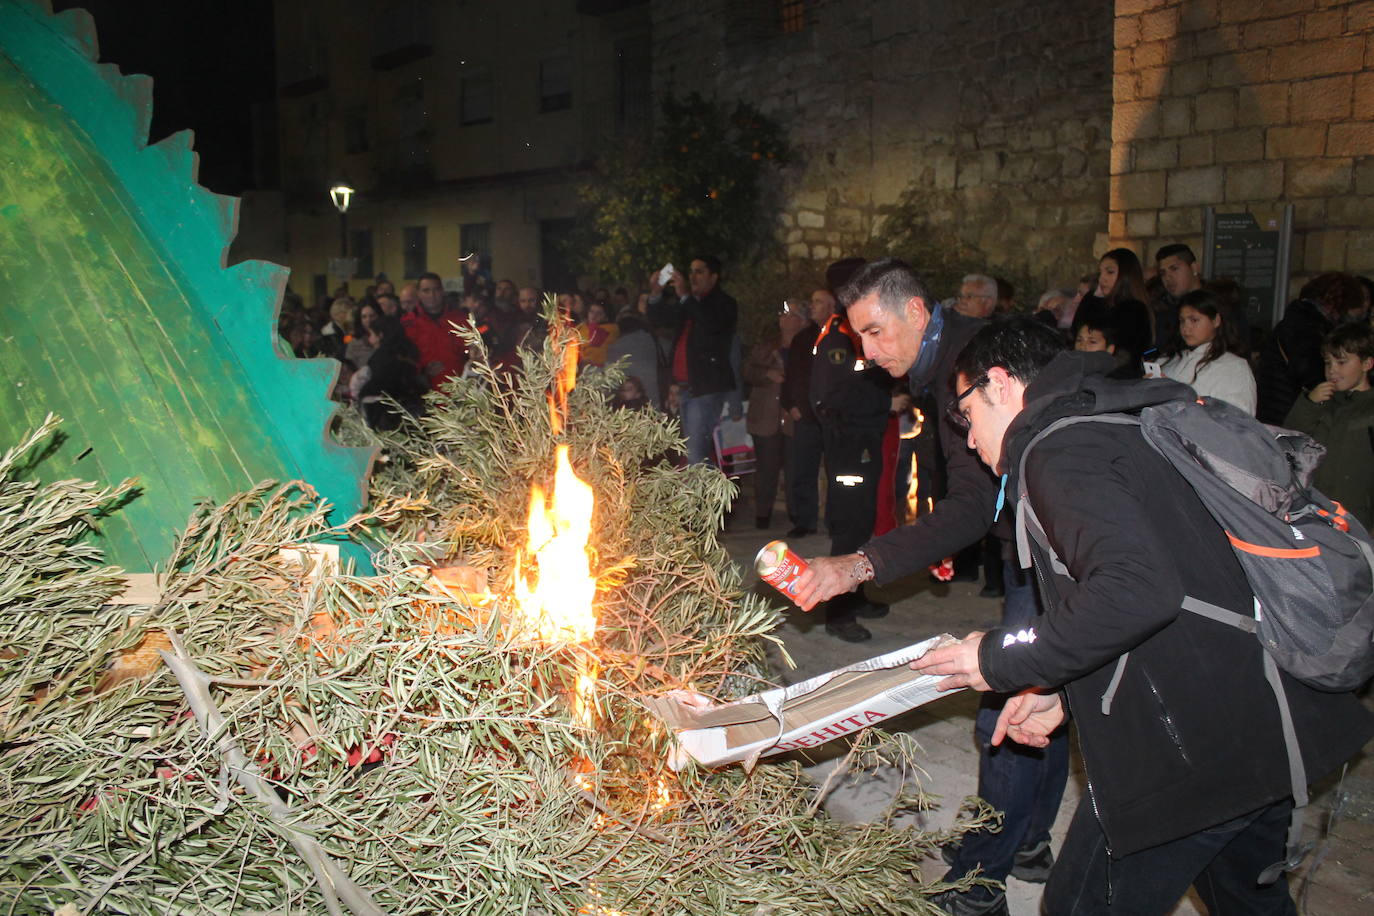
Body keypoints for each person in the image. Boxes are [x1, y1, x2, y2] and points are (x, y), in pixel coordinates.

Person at [911, 319, 1373, 914]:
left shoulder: (1059, 451)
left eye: (964, 413)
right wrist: (1062, 691)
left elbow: (1137, 592)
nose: (968, 438)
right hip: (1260, 723)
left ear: (998, 384)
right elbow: (1177, 594)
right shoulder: (1116, 421)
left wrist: (996, 657)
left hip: (1189, 754)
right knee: (1245, 902)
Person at [791, 260, 1067, 915]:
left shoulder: (966, 368)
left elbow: (973, 503)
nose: (870, 351)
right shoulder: (952, 355)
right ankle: (1026, 840)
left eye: (878, 331)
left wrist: (856, 565)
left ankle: (977, 885)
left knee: (1005, 712)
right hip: (1042, 543)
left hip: (1060, 546)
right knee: (1043, 699)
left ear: (917, 311)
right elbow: (980, 501)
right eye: (859, 338)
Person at [809, 258, 894, 642]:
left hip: (864, 441)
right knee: (849, 527)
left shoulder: (855, 332)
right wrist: (884, 406)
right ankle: (838, 614)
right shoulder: (839, 339)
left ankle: (854, 597)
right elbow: (832, 398)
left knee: (862, 525)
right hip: (849, 446)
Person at [646, 256, 738, 465]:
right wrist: (655, 293)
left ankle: (708, 497)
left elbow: (710, 327)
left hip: (706, 389)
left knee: (696, 455)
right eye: (691, 272)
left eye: (699, 272)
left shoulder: (723, 304)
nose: (692, 277)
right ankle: (710, 496)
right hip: (685, 388)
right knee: (693, 453)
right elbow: (660, 320)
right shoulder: (689, 303)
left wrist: (686, 297)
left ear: (713, 277)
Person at [1282, 323, 1374, 527]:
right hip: (1315, 510)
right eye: (1327, 363)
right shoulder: (1321, 401)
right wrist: (1308, 404)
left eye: (1341, 362)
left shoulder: (1369, 408)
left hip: (1356, 517)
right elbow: (1289, 442)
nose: (1332, 370)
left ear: (1366, 364)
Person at [1256, 273, 1365, 424]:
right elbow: (1311, 373)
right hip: (1288, 412)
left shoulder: (1300, 320)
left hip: (1278, 409)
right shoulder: (1306, 327)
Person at [780, 290, 833, 538]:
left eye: (818, 302)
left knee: (837, 472)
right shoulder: (803, 339)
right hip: (805, 416)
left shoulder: (841, 336)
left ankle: (836, 519)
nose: (813, 306)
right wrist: (791, 404)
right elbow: (791, 376)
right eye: (811, 301)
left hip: (833, 416)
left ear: (832, 306)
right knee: (803, 471)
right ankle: (805, 520)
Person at [1160, 289, 1256, 414]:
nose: (1186, 328)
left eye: (1194, 320)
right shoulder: (1169, 361)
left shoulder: (1234, 368)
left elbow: (1238, 421)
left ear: (1216, 320)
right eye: (1182, 321)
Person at [402, 271, 470, 390]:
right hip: (424, 391)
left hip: (459, 388)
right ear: (418, 293)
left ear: (442, 291)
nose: (432, 295)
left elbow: (472, 351)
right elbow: (402, 357)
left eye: (436, 290)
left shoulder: (460, 319)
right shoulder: (407, 323)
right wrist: (422, 369)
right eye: (426, 290)